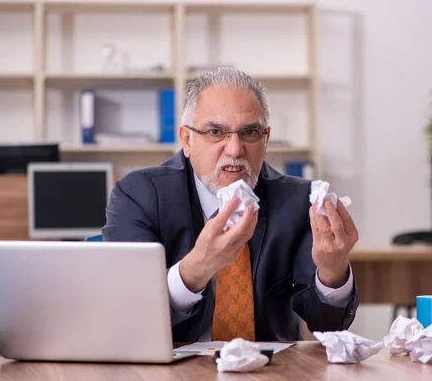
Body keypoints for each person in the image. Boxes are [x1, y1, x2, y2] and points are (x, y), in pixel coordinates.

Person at [103, 67, 360, 342]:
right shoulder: (138, 194)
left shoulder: (298, 201)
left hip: (267, 369)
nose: (235, 150)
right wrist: (195, 268)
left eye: (250, 132)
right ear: (187, 140)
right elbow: (128, 312)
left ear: (266, 139)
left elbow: (328, 327)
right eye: (216, 132)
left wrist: (333, 272)